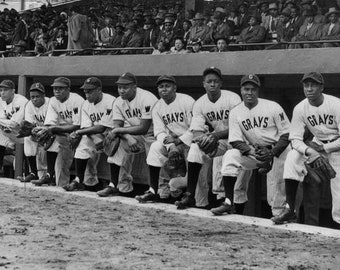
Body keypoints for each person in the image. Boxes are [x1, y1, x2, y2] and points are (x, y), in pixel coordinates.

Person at [174, 67, 251, 210]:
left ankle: (238, 214)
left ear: (221, 83)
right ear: (203, 84)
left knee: (239, 184)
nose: (212, 84)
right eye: (209, 81)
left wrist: (214, 136)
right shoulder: (200, 103)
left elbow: (237, 127)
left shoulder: (232, 98)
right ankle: (189, 195)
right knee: (196, 149)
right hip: (221, 140)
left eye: (216, 81)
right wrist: (202, 140)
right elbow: (196, 131)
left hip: (241, 140)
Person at [215, 74, 290, 217]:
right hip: (255, 151)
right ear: (241, 90)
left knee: (275, 194)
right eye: (246, 89)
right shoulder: (236, 111)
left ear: (258, 91)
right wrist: (251, 152)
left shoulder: (272, 106)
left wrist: (272, 153)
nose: (249, 92)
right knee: (230, 155)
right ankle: (228, 202)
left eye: (253, 89)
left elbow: (286, 134)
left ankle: (280, 220)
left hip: (278, 150)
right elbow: (235, 140)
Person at [272, 72, 340, 228]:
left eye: (313, 85)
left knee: (339, 196)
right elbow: (294, 138)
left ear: (321, 87)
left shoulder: (336, 104)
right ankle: (290, 208)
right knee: (292, 156)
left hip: (336, 148)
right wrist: (311, 152)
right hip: (316, 147)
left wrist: (324, 148)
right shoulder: (300, 108)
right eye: (306, 85)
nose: (309, 88)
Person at [96, 72, 158, 197]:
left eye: (125, 87)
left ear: (134, 87)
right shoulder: (118, 102)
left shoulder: (147, 98)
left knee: (154, 157)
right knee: (116, 143)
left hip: (155, 134)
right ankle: (114, 185)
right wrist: (128, 137)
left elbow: (144, 128)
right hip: (133, 133)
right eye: (119, 87)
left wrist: (120, 131)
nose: (122, 90)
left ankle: (156, 191)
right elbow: (117, 126)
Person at [136, 75, 194, 202]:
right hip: (173, 142)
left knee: (190, 179)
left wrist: (179, 141)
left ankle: (187, 195)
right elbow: (159, 132)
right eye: (161, 87)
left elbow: (195, 128)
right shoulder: (157, 106)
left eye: (167, 86)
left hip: (191, 140)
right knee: (155, 147)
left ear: (175, 88)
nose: (164, 89)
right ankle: (153, 190)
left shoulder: (187, 101)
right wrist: (171, 146)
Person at [63, 77, 115, 191]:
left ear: (99, 90)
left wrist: (78, 132)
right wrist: (95, 139)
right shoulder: (86, 104)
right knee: (83, 145)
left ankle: (114, 186)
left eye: (90, 91)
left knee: (116, 158)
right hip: (94, 133)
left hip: (113, 133)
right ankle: (78, 180)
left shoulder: (110, 101)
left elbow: (103, 127)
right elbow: (86, 126)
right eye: (85, 91)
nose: (87, 95)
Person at [31, 77, 84, 187]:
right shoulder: (53, 101)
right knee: (60, 165)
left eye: (60, 88)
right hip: (64, 134)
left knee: (87, 166)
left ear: (68, 89)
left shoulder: (77, 100)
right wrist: (43, 130)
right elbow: (50, 123)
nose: (57, 91)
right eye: (55, 88)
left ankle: (88, 187)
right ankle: (59, 185)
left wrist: (53, 129)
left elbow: (77, 125)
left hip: (82, 134)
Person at [20, 82, 49, 183]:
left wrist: (40, 130)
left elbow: (51, 124)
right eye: (32, 97)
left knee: (43, 140)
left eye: (37, 96)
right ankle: (33, 173)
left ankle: (48, 175)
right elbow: (29, 124)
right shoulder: (29, 105)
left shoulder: (49, 103)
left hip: (50, 132)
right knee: (27, 138)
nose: (34, 99)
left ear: (43, 96)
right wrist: (32, 131)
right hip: (37, 131)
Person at [0, 80, 28, 172]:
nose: (2, 93)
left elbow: (14, 123)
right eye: (1, 90)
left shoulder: (21, 101)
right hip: (10, 133)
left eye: (5, 90)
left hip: (26, 134)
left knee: (32, 155)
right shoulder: (1, 101)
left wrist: (4, 122)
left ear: (13, 91)